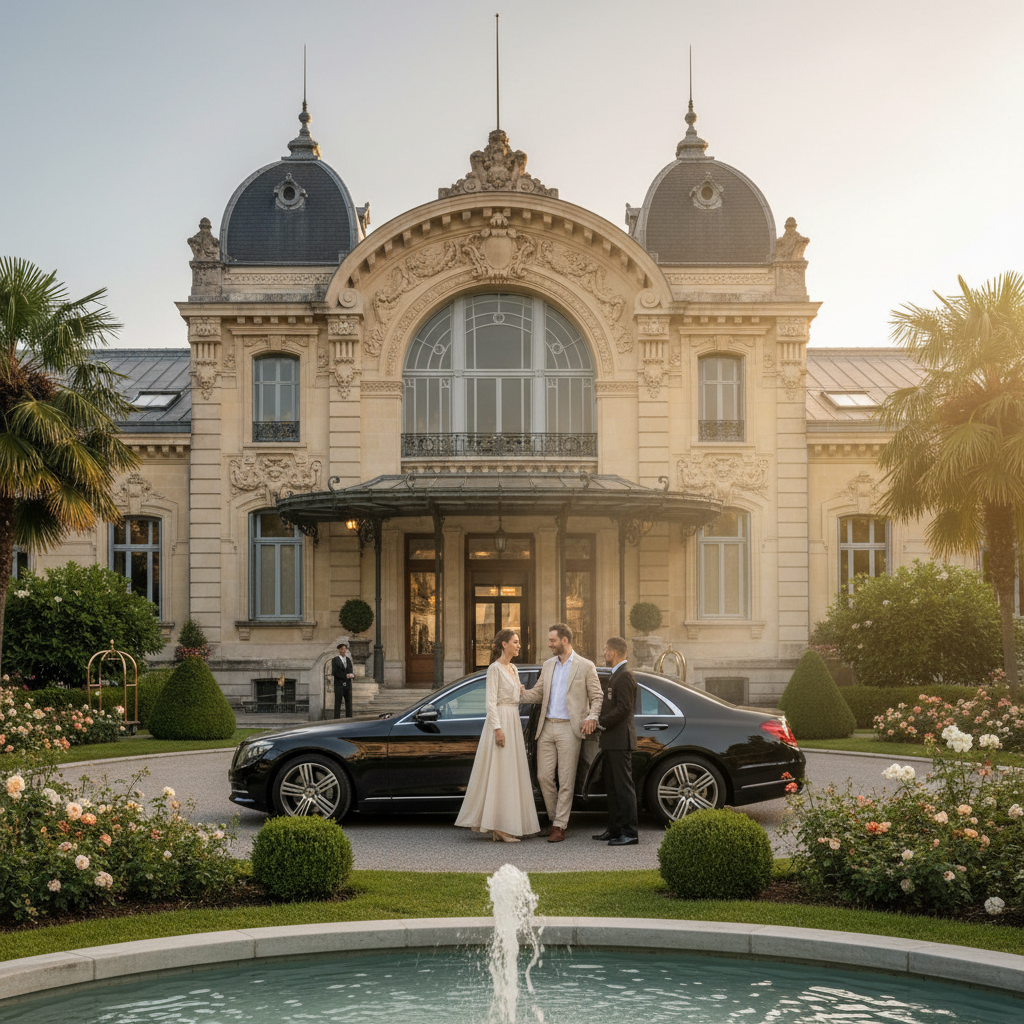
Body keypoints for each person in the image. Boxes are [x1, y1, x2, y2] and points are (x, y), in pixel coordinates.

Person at [519, 623, 602, 842]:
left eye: (552, 640)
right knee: (543, 776)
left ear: (564, 640)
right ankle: (556, 818)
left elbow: (597, 696)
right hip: (546, 727)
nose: (549, 644)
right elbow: (538, 694)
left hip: (570, 728)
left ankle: (559, 825)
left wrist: (592, 716)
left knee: (566, 779)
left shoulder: (586, 666)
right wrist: (518, 693)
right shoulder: (548, 665)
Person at [455, 629, 540, 842]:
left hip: (513, 720)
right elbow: (490, 702)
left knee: (510, 774)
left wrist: (523, 691)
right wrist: (497, 729)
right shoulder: (494, 669)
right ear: (504, 644)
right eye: (515, 642)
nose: (519, 645)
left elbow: (516, 697)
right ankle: (498, 826)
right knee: (500, 774)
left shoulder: (513, 668)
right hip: (501, 722)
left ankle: (504, 824)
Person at [593, 636, 639, 846]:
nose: (604, 653)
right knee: (612, 788)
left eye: (605, 650)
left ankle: (629, 833)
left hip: (621, 741)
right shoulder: (616, 675)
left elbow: (624, 708)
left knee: (623, 788)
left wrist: (599, 722)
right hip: (611, 741)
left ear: (613, 652)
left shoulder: (625, 676)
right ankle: (614, 829)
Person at [332, 642, 354, 719]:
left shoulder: (348, 660)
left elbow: (350, 670)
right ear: (339, 650)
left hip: (348, 685)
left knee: (349, 703)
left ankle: (349, 718)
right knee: (338, 703)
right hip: (339, 685)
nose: (343, 651)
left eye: (345, 649)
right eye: (342, 649)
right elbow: (335, 672)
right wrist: (345, 676)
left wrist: (352, 675)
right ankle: (336, 719)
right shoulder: (335, 660)